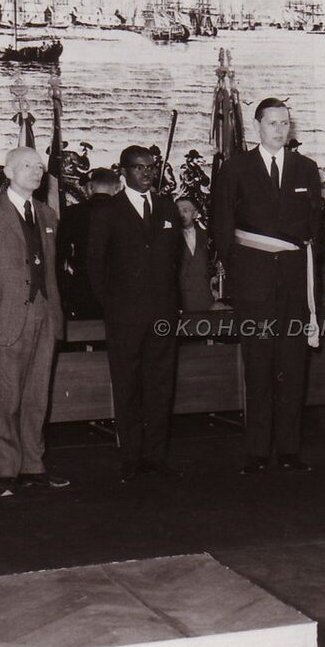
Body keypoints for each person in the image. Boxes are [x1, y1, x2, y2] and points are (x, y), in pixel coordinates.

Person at [212, 97, 323, 474]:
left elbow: (314, 230)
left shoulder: (306, 169)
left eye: (285, 123)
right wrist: (241, 275)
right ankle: (258, 451)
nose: (280, 130)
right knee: (258, 367)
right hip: (254, 285)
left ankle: (290, 450)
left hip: (293, 284)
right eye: (273, 123)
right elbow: (222, 225)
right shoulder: (236, 168)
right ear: (257, 126)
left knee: (292, 367)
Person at [0, 146, 69, 498]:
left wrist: (53, 313)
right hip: (7, 318)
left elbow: (50, 271)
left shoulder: (48, 214)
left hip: (44, 315)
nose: (36, 171)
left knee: (38, 397)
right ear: (8, 172)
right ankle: (7, 471)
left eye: (39, 167)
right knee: (9, 399)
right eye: (27, 166)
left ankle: (34, 467)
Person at [87, 145, 184, 482]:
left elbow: (175, 260)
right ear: (123, 172)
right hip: (124, 316)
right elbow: (95, 265)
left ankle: (156, 457)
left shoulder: (167, 207)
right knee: (127, 386)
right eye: (139, 167)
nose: (147, 173)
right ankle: (131, 458)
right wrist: (113, 306)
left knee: (160, 386)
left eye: (151, 167)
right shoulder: (108, 211)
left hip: (162, 315)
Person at [59, 167, 117, 320]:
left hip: (82, 286)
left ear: (90, 188)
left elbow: (60, 253)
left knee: (84, 330)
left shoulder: (73, 213)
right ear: (117, 188)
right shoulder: (126, 213)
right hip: (118, 288)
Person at [176, 195, 214, 312]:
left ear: (195, 213)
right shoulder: (170, 237)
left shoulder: (206, 236)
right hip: (181, 298)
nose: (181, 215)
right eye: (178, 211)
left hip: (204, 296)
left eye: (185, 211)